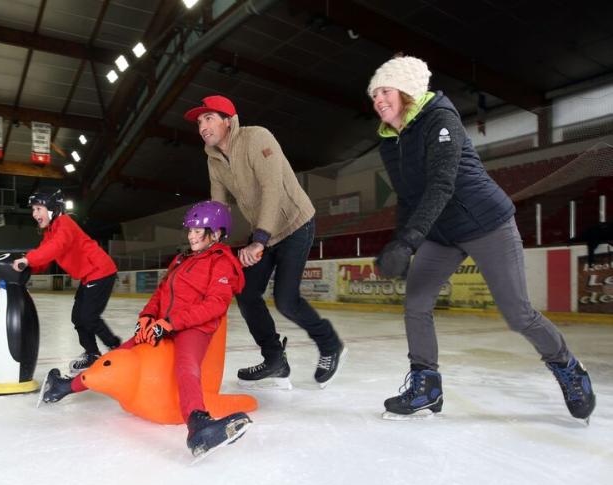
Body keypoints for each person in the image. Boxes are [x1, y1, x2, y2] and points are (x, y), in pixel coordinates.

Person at [367, 54, 595, 421]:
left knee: (518, 313)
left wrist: (409, 241)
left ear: (407, 90)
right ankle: (427, 385)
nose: (378, 99)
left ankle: (566, 365)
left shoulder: (440, 119)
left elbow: (442, 184)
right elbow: (409, 198)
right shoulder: (389, 142)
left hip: (485, 222)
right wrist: (398, 242)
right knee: (417, 303)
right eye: (374, 94)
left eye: (385, 90)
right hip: (442, 234)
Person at [38, 201, 252, 457]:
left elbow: (215, 305)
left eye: (198, 231)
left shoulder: (222, 262)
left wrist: (172, 323)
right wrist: (147, 317)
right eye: (190, 230)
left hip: (193, 328)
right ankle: (63, 387)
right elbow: (161, 293)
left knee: (186, 366)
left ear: (216, 233)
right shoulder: (181, 260)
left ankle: (198, 425)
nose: (191, 236)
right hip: (162, 325)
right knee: (119, 354)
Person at [183, 95, 346, 389]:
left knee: (286, 300)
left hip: (295, 223)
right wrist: (211, 245)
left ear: (228, 120)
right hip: (263, 230)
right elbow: (219, 205)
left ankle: (330, 344)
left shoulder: (257, 138)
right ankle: (275, 359)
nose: (202, 126)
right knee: (245, 292)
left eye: (209, 118)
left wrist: (259, 241)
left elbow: (273, 189)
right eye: (199, 122)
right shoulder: (213, 158)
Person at [12, 188, 121, 373]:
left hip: (101, 270)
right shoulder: (50, 231)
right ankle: (92, 354)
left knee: (88, 317)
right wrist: (29, 267)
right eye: (33, 210)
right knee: (78, 317)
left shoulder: (64, 223)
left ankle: (115, 348)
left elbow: (56, 247)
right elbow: (45, 254)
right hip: (89, 275)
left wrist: (29, 259)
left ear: (53, 208)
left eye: (38, 208)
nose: (34, 214)